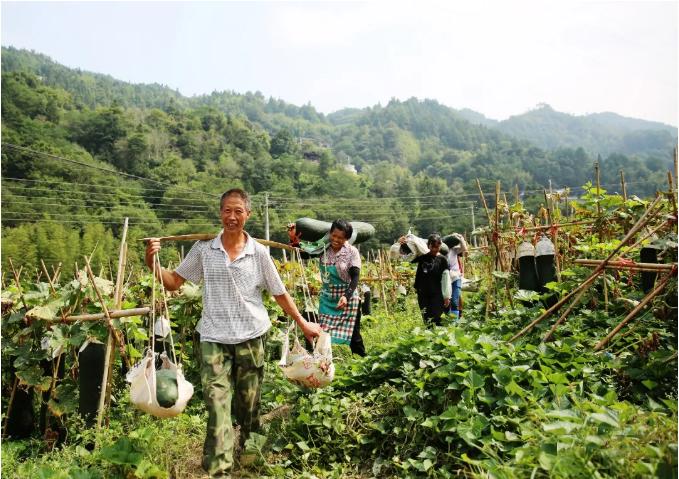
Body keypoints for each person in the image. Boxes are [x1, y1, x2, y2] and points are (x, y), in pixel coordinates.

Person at [145, 188, 321, 478]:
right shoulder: (204, 249)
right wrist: (153, 263)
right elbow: (173, 282)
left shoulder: (259, 253)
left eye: (238, 211)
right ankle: (219, 469)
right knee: (217, 403)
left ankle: (252, 449)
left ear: (247, 215)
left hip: (251, 336)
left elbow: (279, 293)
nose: (232, 216)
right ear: (220, 213)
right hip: (214, 337)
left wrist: (303, 323)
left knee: (248, 403)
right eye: (227, 210)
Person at [316, 219, 366, 356]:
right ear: (330, 233)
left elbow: (355, 277)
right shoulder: (323, 248)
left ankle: (363, 363)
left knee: (354, 337)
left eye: (341, 238)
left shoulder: (352, 252)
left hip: (348, 297)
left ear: (347, 238)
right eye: (334, 235)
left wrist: (346, 296)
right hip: (328, 297)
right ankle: (319, 363)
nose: (336, 239)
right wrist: (293, 239)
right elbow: (304, 253)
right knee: (321, 332)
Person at [404, 233, 451, 327]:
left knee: (438, 317)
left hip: (437, 294)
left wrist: (447, 296)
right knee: (426, 318)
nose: (434, 249)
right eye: (432, 246)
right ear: (428, 245)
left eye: (437, 247)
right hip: (423, 293)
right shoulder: (422, 257)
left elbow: (446, 279)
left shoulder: (442, 260)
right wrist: (403, 244)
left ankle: (440, 339)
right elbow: (408, 258)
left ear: (440, 246)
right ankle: (429, 338)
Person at [444, 233, 468, 319]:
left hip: (456, 277)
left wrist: (461, 238)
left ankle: (455, 322)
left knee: (454, 300)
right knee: (446, 301)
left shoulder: (454, 250)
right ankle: (448, 319)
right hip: (445, 279)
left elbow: (465, 248)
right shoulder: (442, 251)